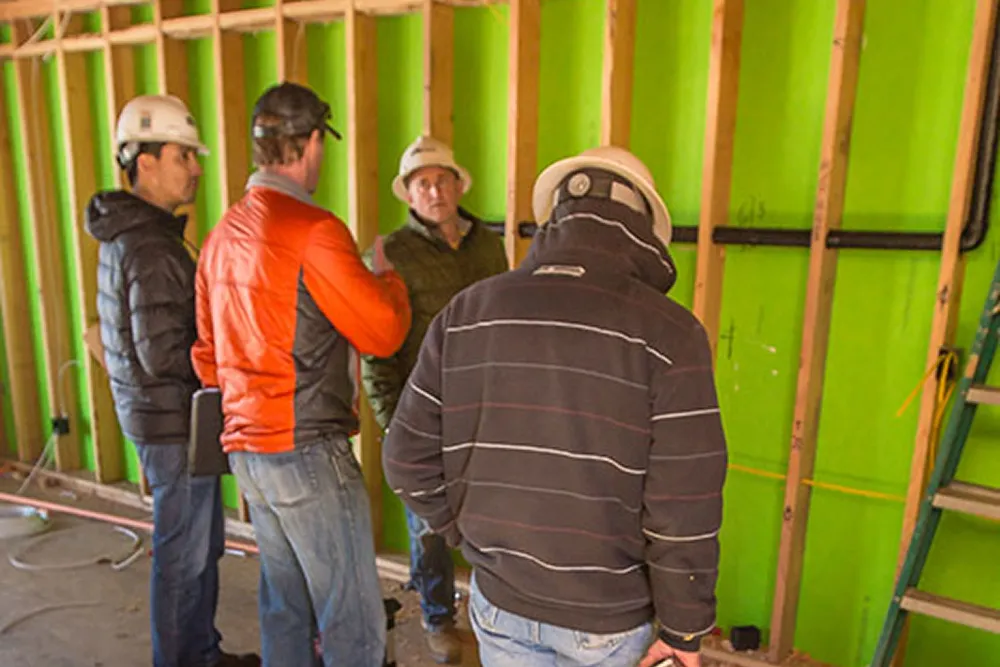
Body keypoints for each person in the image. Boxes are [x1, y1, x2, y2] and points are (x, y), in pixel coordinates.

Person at [383, 146, 728, 667]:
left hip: (500, 605)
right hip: (608, 622)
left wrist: (468, 533)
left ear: (557, 218)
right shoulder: (670, 336)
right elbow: (684, 505)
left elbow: (404, 456)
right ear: (642, 230)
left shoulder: (470, 312)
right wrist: (683, 629)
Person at [190, 81, 412, 667]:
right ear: (314, 142)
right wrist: (388, 278)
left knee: (284, 608)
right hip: (307, 450)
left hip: (248, 455)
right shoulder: (313, 230)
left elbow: (207, 356)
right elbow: (382, 332)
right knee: (352, 621)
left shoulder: (220, 238)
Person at [84, 95, 260, 667]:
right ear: (145, 160)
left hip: (157, 418)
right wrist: (231, 357)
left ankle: (197, 652)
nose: (197, 168)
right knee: (186, 553)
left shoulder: (133, 234)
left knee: (194, 546)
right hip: (171, 423)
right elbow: (166, 353)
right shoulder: (150, 244)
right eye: (184, 155)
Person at [361, 135, 507, 663]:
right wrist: (394, 419)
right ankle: (438, 616)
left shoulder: (488, 245)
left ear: (457, 183)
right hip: (422, 412)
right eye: (422, 182)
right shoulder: (388, 254)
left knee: (491, 517)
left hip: (485, 409)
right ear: (409, 195)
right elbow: (375, 348)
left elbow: (507, 322)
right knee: (427, 526)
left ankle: (492, 616)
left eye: (441, 179)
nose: (434, 190)